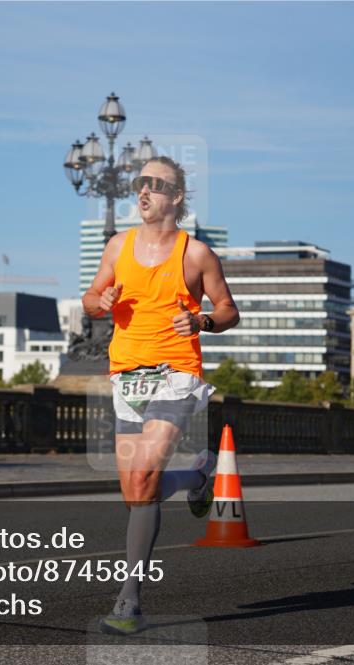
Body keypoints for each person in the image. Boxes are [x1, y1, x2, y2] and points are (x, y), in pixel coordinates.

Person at [82, 156, 240, 635]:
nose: (143, 191)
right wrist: (100, 302)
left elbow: (229, 310)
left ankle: (129, 600)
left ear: (176, 198)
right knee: (136, 489)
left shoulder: (196, 255)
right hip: (126, 373)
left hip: (176, 372)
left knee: (145, 473)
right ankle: (196, 476)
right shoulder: (117, 246)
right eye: (140, 183)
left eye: (155, 184)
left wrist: (202, 321)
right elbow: (90, 298)